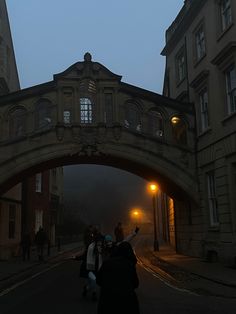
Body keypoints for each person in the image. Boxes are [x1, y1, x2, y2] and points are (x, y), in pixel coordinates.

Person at [96, 241, 140, 314]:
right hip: (127, 303)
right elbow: (135, 284)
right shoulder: (130, 265)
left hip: (107, 302)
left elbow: (98, 280)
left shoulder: (107, 263)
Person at [82, 233, 104, 301]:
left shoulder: (100, 246)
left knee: (93, 282)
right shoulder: (91, 247)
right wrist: (89, 270)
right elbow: (89, 259)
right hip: (91, 268)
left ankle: (86, 289)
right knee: (94, 280)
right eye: (100, 240)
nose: (101, 242)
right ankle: (94, 294)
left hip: (98, 268)